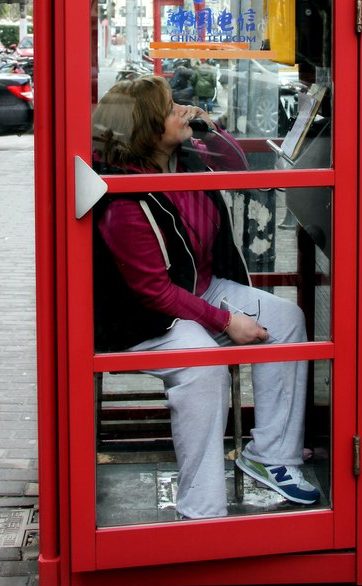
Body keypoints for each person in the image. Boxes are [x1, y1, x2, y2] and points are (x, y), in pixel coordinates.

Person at [92, 75, 320, 520]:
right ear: (149, 130)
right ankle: (202, 508)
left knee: (287, 320)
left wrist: (209, 128)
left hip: (199, 288)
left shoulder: (185, 159)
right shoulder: (124, 201)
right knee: (203, 368)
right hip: (143, 318)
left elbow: (240, 169)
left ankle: (271, 455)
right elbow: (154, 292)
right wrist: (223, 321)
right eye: (170, 108)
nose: (181, 109)